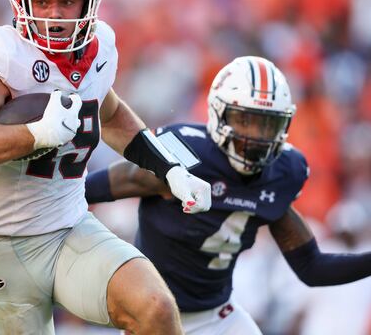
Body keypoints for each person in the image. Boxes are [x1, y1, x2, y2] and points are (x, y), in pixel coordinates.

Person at [0, 0, 211, 335]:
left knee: (155, 308)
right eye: (43, 2)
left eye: (67, 1)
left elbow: (109, 112)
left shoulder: (100, 48)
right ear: (20, 3)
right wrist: (36, 135)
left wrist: (169, 168)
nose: (55, 14)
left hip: (70, 228)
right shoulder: (1, 53)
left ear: (88, 3)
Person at [86, 56, 371, 335]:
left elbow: (311, 267)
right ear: (219, 113)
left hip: (219, 317)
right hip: (155, 317)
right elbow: (85, 190)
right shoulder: (181, 158)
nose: (256, 136)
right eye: (245, 120)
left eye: (266, 124)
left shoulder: (280, 175)